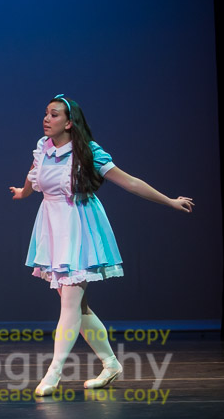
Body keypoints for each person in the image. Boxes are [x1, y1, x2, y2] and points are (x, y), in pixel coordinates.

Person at [10, 94, 193, 396]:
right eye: (46, 113)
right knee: (78, 306)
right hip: (53, 227)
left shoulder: (88, 151)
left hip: (79, 227)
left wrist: (169, 201)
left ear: (69, 123)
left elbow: (130, 182)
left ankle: (54, 373)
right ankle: (111, 364)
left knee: (69, 303)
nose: (46, 119)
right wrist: (23, 192)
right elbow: (33, 175)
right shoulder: (43, 147)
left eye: (54, 115)